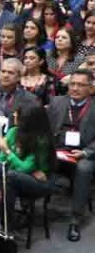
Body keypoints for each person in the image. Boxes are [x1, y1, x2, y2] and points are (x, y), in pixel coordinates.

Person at [47, 69, 95, 240]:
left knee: (84, 169)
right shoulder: (57, 102)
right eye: (72, 84)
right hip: (57, 150)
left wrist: (86, 152)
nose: (75, 88)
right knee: (38, 159)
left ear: (91, 88)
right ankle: (26, 203)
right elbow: (44, 128)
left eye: (81, 85)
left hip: (83, 152)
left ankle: (75, 219)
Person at [0, 101, 56, 226]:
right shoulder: (13, 131)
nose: (14, 114)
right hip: (18, 176)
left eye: (17, 113)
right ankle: (0, 220)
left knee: (9, 177)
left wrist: (8, 151)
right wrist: (16, 161)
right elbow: (1, 160)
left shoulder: (41, 141)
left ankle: (6, 225)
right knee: (3, 175)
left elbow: (25, 167)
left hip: (41, 182)